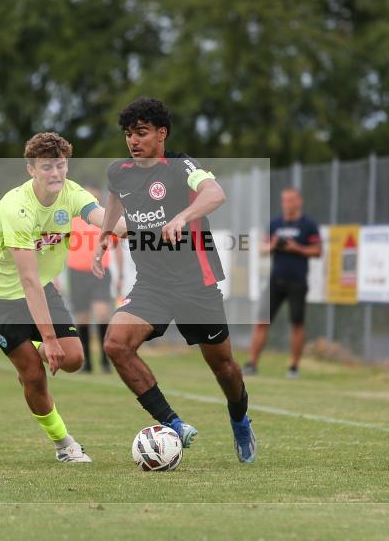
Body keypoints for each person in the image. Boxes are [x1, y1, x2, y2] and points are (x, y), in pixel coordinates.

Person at [92, 97, 257, 464]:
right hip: (152, 286)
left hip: (196, 285)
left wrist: (183, 216)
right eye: (128, 134)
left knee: (225, 369)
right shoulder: (119, 172)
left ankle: (240, 419)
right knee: (116, 344)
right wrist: (105, 235)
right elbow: (115, 198)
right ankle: (174, 424)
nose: (133, 141)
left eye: (141, 132)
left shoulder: (182, 168)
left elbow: (215, 193)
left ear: (162, 134)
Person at [0, 132, 126, 463]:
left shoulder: (72, 193)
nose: (56, 173)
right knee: (35, 375)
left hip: (39, 286)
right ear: (31, 169)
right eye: (46, 167)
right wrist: (49, 340)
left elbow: (105, 220)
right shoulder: (17, 209)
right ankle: (64, 445)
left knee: (74, 359)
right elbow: (27, 281)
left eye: (61, 165)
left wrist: (150, 225)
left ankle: (34, 349)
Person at [245, 187, 321, 378]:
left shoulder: (309, 225)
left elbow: (317, 251)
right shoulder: (275, 224)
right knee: (261, 321)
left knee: (297, 323)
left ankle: (293, 367)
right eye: (284, 200)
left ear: (299, 201)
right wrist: (273, 245)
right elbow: (262, 249)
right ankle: (252, 363)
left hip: (297, 281)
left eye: (290, 200)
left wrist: (297, 248)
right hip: (276, 280)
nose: (286, 204)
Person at [66, 183, 123, 373]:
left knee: (101, 314)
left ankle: (105, 360)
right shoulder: (72, 219)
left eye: (95, 196)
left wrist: (121, 275)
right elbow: (59, 247)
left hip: (100, 273)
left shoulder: (105, 218)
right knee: (82, 317)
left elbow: (117, 248)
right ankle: (87, 362)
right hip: (76, 273)